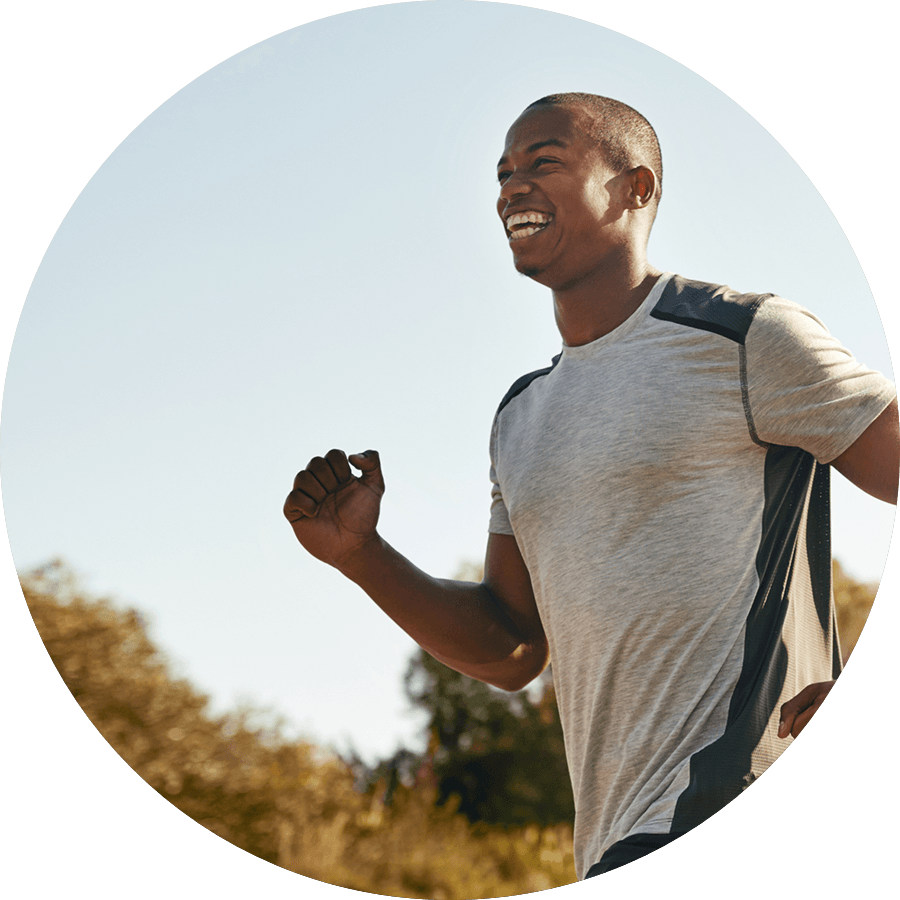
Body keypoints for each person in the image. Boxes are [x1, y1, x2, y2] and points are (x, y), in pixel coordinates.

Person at [283, 93, 899, 879]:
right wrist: (362, 556)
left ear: (634, 189)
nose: (511, 188)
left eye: (543, 163)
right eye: (503, 174)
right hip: (614, 839)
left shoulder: (747, 337)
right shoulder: (521, 417)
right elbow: (513, 647)